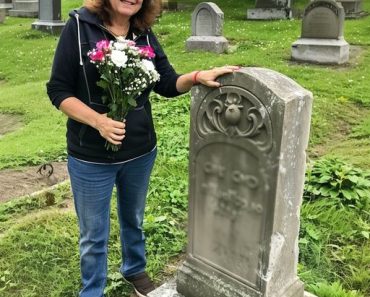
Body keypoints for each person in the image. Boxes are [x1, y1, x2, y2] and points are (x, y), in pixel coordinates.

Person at [47, 0, 238, 296]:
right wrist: (99, 121)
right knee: (93, 235)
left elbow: (167, 82)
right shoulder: (79, 27)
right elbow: (58, 89)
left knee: (133, 218)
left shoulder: (143, 31)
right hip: (91, 157)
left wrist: (198, 76)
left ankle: (134, 269)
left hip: (140, 151)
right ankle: (92, 289)